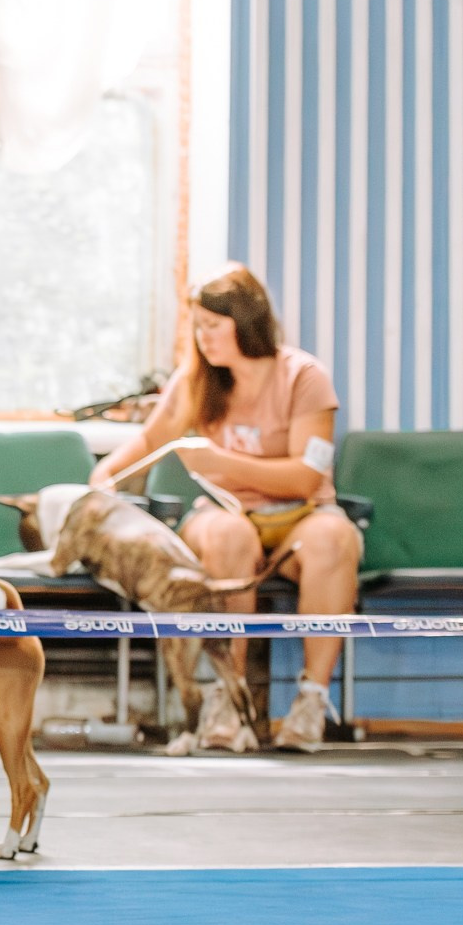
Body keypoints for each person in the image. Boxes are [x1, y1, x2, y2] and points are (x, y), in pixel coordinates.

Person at [91, 264, 361, 751]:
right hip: (226, 513)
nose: (203, 337)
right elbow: (151, 438)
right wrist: (101, 480)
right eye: (197, 326)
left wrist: (220, 460)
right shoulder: (196, 379)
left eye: (213, 325)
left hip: (300, 514)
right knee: (230, 536)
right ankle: (227, 701)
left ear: (247, 319)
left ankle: (311, 702)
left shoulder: (305, 376)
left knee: (335, 538)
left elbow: (307, 476)